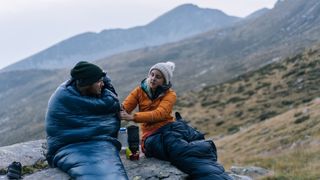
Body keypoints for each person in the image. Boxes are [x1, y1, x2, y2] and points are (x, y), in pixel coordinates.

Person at [120, 61, 232, 179]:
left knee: (185, 148)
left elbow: (160, 114)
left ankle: (212, 170)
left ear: (165, 81)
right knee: (181, 151)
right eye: (152, 75)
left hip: (169, 128)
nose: (153, 79)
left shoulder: (170, 94)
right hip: (152, 136)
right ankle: (212, 168)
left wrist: (133, 117)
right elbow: (125, 107)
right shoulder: (139, 90)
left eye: (158, 77)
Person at [45, 61, 128, 180]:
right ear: (88, 84)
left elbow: (109, 102)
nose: (102, 84)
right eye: (98, 81)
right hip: (70, 146)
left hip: (98, 140)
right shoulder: (64, 97)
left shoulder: (96, 93)